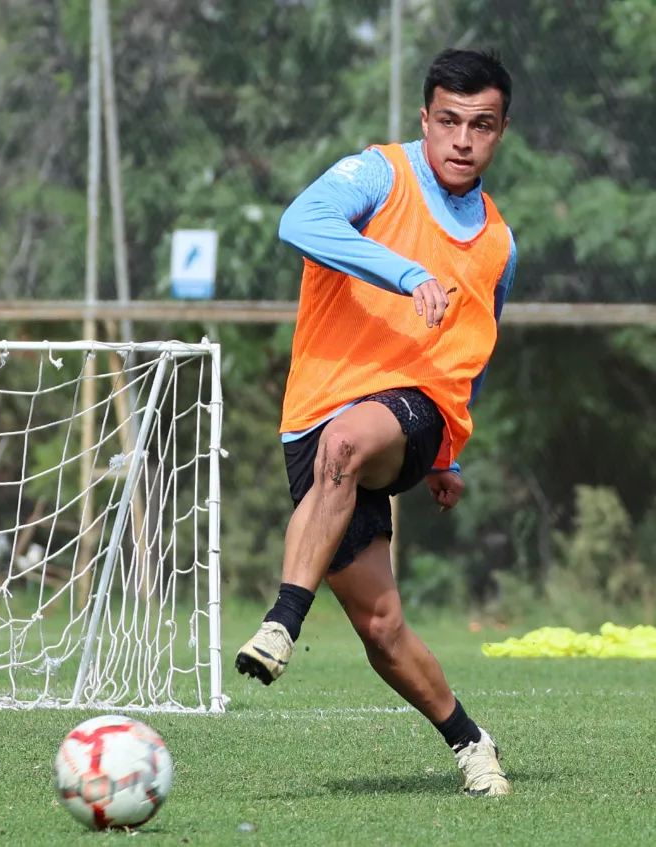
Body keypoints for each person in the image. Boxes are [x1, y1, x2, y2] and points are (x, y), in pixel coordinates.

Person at [235, 48, 516, 797]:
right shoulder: (377, 173)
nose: (462, 139)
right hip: (316, 418)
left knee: (351, 439)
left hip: (410, 410)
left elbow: (471, 358)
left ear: (500, 132)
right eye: (448, 121)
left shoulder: (497, 243)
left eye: (480, 125)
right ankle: (470, 740)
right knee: (381, 628)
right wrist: (405, 271)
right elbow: (299, 220)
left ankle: (283, 618)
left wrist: (446, 451)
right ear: (424, 119)